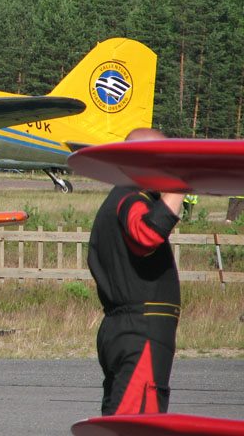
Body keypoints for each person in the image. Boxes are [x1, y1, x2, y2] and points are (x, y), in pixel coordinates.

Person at [88, 127, 185, 416]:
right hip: (140, 330)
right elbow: (147, 235)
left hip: (128, 327)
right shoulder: (131, 197)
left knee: (123, 418)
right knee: (137, 421)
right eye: (165, 158)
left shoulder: (121, 198)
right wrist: (181, 185)